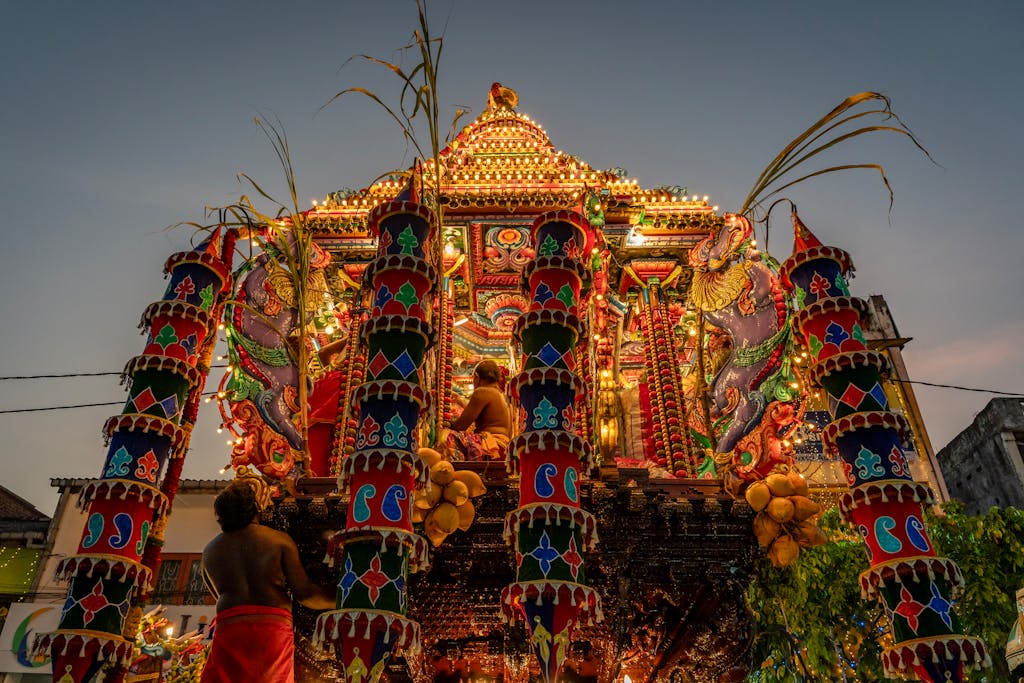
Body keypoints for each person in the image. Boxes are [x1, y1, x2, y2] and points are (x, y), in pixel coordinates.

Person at [200, 480, 334, 683]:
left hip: (229, 630)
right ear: (255, 507)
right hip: (271, 632)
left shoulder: (210, 550)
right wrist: (343, 598)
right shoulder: (278, 540)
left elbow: (216, 594)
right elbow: (305, 594)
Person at [443, 360, 512, 461]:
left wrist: (444, 423)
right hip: (502, 448)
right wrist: (459, 400)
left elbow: (460, 426)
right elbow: (479, 411)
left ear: (477, 377)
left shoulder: (482, 391)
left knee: (447, 436)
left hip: (490, 447)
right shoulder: (500, 394)